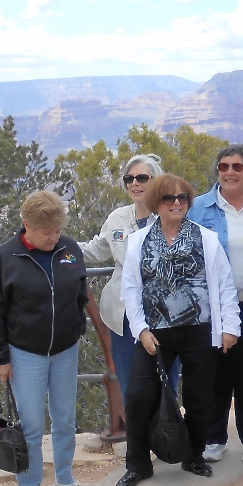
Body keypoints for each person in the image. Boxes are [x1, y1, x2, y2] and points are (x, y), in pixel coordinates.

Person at [117, 173, 240, 486]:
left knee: (200, 397)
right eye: (169, 198)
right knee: (139, 396)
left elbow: (225, 285)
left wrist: (230, 327)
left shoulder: (205, 238)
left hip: (199, 330)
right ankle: (139, 465)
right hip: (155, 334)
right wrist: (141, 330)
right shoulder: (139, 241)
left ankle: (194, 455)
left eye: (182, 198)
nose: (176, 203)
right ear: (157, 202)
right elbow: (130, 288)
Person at [0, 191, 88, 486]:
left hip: (65, 349)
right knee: (30, 425)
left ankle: (65, 478)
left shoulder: (69, 250)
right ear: (26, 225)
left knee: (65, 418)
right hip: (24, 353)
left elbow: (81, 292)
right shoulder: (6, 257)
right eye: (46, 232)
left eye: (57, 230)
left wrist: (76, 327)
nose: (53, 237)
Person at [189, 144, 243, 466]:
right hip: (213, 308)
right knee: (214, 374)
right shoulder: (199, 208)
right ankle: (214, 437)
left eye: (236, 167)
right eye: (223, 166)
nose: (229, 172)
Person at [78, 153, 159, 399]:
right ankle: (137, 436)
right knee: (130, 383)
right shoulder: (117, 218)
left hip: (161, 314)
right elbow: (96, 250)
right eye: (129, 179)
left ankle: (163, 435)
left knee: (162, 381)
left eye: (142, 177)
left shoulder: (170, 216)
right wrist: (57, 245)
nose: (135, 183)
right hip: (123, 316)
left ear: (156, 180)